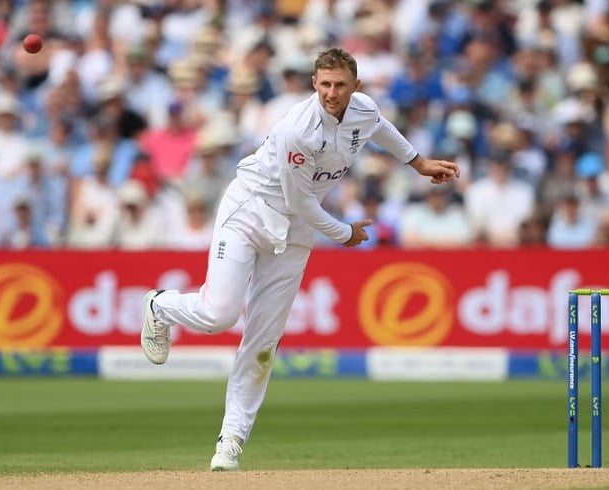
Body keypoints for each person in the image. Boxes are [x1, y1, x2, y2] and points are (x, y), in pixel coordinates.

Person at [140, 48, 460, 471]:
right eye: (325, 84)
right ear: (314, 83)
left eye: (340, 85)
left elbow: (380, 127)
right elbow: (301, 201)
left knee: (263, 342)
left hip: (295, 229)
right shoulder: (299, 129)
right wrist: (344, 233)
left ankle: (231, 440)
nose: (332, 93)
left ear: (356, 86)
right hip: (250, 210)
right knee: (219, 315)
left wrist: (418, 163)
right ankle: (160, 305)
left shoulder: (363, 109)